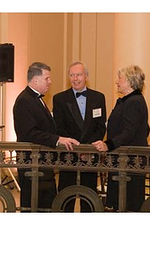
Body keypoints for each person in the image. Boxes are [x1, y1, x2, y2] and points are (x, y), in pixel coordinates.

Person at [13, 62, 79, 212]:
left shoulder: (36, 99)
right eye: (47, 78)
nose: (50, 82)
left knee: (46, 205)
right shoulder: (24, 100)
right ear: (35, 80)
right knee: (34, 206)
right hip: (32, 163)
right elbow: (29, 132)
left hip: (42, 162)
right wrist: (57, 139)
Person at [92, 64, 150, 212]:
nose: (117, 82)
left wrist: (108, 144)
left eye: (120, 78)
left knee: (128, 205)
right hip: (123, 160)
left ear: (130, 82)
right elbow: (145, 129)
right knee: (119, 204)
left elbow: (129, 132)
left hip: (129, 162)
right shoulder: (128, 100)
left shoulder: (134, 101)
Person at [52, 61, 107, 212]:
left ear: (86, 76)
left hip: (90, 154)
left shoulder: (98, 98)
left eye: (79, 75)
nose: (75, 79)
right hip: (69, 153)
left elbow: (101, 127)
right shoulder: (60, 99)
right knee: (66, 195)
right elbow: (59, 128)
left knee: (88, 195)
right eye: (72, 75)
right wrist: (77, 149)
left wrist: (87, 149)